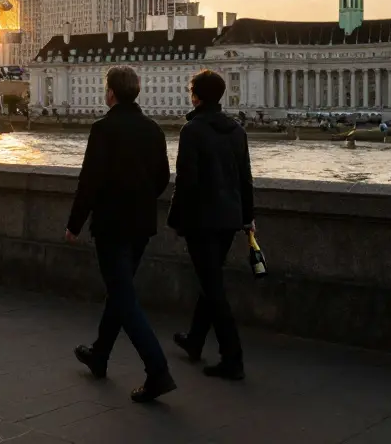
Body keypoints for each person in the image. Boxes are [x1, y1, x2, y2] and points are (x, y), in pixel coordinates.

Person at [65, 65, 177, 403]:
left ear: (110, 92)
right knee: (121, 290)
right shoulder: (153, 130)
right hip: (141, 224)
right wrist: (141, 200)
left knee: (124, 298)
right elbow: (162, 178)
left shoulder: (103, 128)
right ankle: (99, 353)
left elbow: (90, 181)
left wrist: (74, 223)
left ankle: (157, 370)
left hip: (112, 224)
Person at [167, 69, 254, 380]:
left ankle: (233, 357)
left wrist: (176, 219)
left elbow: (186, 181)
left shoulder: (192, 131)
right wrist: (247, 217)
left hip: (202, 220)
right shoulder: (237, 131)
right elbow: (245, 178)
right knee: (211, 279)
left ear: (197, 96)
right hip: (229, 219)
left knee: (213, 287)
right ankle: (194, 340)